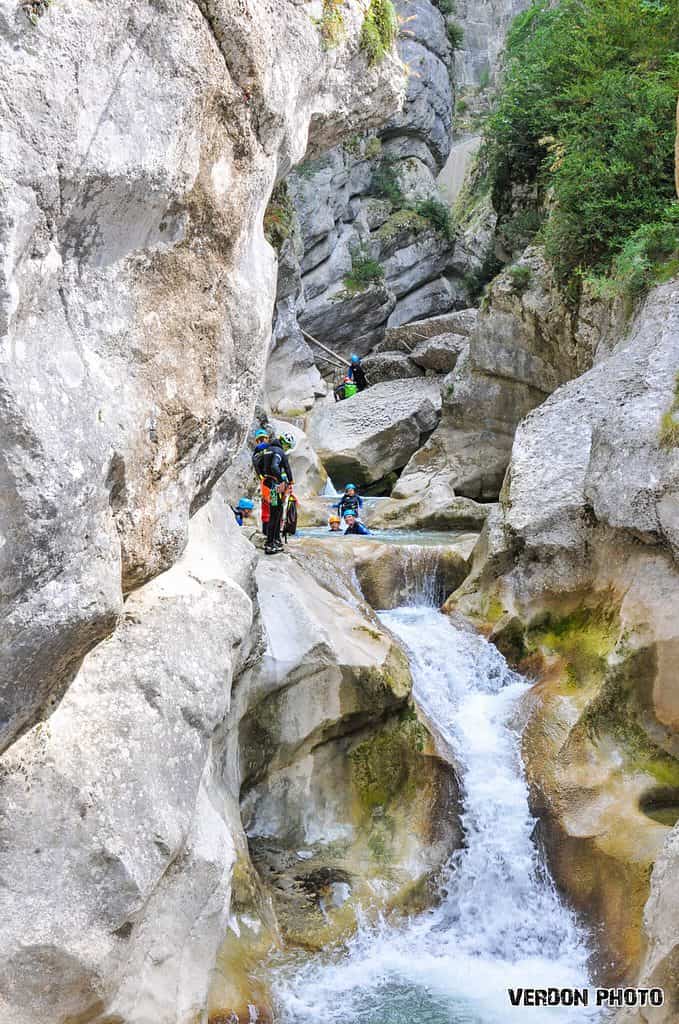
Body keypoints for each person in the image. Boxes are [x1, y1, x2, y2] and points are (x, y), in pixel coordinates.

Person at [252, 429, 296, 554]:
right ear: (286, 444)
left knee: (277, 512)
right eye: (288, 447)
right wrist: (283, 480)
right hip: (276, 486)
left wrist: (263, 477)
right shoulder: (278, 451)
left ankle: (275, 539)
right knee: (275, 514)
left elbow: (260, 465)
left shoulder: (268, 449)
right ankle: (270, 543)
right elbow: (275, 467)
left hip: (272, 485)